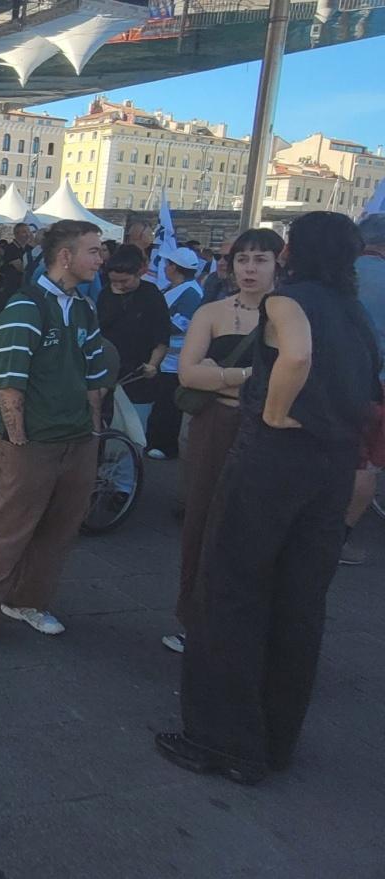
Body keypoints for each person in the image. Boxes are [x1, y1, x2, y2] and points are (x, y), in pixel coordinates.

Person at [157, 212, 380, 785]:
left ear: (292, 254)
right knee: (300, 602)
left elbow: (297, 356)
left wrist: (277, 410)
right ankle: (275, 738)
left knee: (230, 590)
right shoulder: (353, 311)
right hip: (331, 467)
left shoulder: (289, 301)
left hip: (275, 460)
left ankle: (222, 740)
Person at [0, 220, 108, 653]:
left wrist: (93, 430)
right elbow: (10, 381)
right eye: (93, 250)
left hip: (76, 439)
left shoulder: (83, 306)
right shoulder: (27, 305)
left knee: (58, 530)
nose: (101, 258)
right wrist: (16, 437)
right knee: (4, 530)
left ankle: (27, 602)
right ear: (66, 257)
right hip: (32, 441)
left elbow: (93, 374)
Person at [161, 228, 283, 655]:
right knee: (202, 520)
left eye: (260, 259)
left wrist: (221, 376)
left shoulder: (291, 315)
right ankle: (193, 618)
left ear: (276, 264)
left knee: (255, 526)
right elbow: (189, 374)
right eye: (242, 259)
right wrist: (246, 377)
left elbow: (293, 381)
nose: (249, 268)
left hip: (268, 430)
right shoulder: (211, 312)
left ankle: (244, 623)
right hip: (215, 424)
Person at [337, 213, 385, 566]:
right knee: (365, 464)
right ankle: (339, 538)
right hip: (378, 385)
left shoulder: (340, 274)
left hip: (333, 379)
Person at [96, 244, 172, 429]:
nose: (119, 286)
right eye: (115, 281)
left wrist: (153, 364)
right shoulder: (105, 294)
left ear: (139, 273)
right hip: (107, 371)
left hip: (139, 372)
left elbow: (162, 336)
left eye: (125, 281)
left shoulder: (151, 295)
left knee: (134, 426)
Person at [145, 246, 203, 459]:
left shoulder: (191, 294)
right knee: (160, 403)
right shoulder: (174, 287)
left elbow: (179, 325)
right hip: (165, 358)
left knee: (168, 405)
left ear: (174, 268)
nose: (165, 267)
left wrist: (151, 325)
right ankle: (154, 440)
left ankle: (166, 445)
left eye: (168, 264)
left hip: (175, 361)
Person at [0, 222, 35, 310]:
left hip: (24, 288)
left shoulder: (29, 249)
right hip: (11, 288)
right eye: (25, 231)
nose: (28, 234)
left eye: (28, 231)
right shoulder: (11, 249)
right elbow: (22, 268)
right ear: (17, 234)